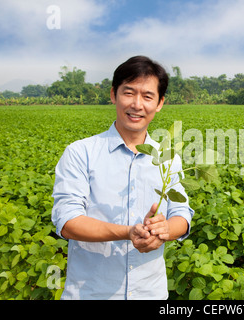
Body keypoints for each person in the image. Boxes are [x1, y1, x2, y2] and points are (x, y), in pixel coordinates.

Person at [51, 56, 194, 300]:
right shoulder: (80, 153)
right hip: (91, 293)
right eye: (129, 93)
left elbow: (182, 215)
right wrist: (127, 232)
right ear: (113, 95)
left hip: (150, 293)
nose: (137, 104)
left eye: (148, 96)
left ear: (160, 103)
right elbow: (67, 221)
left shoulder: (168, 159)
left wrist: (164, 230)